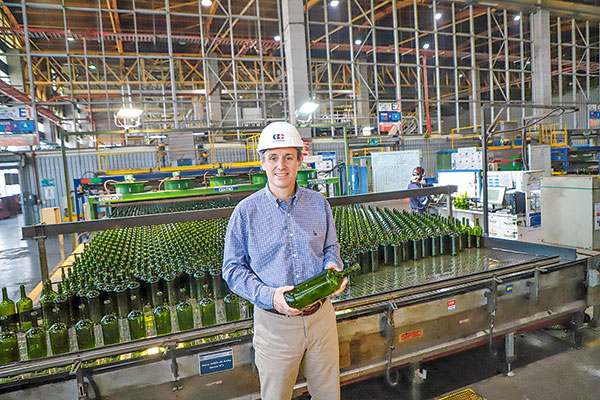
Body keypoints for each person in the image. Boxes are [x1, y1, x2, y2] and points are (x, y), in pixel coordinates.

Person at [222, 121, 347, 400]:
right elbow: (232, 270)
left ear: (300, 160)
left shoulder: (318, 203)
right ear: (263, 162)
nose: (281, 165)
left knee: (328, 394)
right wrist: (270, 296)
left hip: (322, 319)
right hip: (275, 326)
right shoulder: (246, 213)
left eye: (288, 157)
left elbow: (331, 247)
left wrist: (333, 267)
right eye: (273, 157)